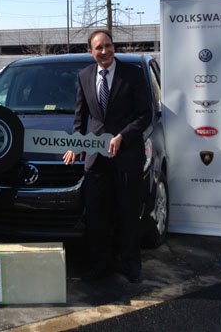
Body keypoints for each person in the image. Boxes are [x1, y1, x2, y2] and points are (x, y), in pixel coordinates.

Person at [63, 30, 153, 283]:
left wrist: (123, 135)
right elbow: (80, 116)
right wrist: (74, 142)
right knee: (96, 214)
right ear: (91, 52)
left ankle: (130, 264)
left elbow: (144, 115)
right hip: (95, 157)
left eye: (108, 46)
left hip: (126, 155)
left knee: (127, 212)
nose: (104, 51)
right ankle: (100, 264)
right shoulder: (84, 76)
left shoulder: (132, 74)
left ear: (113, 47)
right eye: (98, 48)